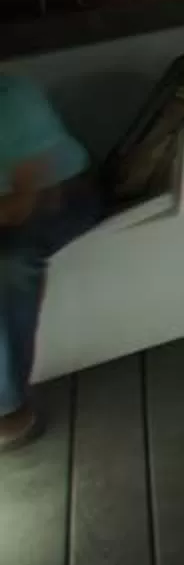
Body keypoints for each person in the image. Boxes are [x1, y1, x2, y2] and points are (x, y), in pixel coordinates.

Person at [0, 70, 95, 450]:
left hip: (58, 195)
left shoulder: (12, 101)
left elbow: (22, 206)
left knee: (10, 265)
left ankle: (10, 408)